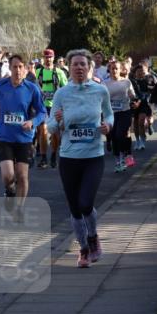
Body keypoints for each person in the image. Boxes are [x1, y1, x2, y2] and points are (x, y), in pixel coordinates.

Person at [46, 49, 112, 268]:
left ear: (89, 67)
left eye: (83, 64)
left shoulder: (100, 91)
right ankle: (83, 249)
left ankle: (93, 236)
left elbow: (109, 114)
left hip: (93, 156)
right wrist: (57, 121)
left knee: (86, 203)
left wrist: (108, 125)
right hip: (68, 157)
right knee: (74, 207)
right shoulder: (61, 94)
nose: (79, 67)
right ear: (69, 67)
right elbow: (51, 126)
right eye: (75, 64)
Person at [0, 54, 46, 210]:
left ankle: (19, 208)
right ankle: (10, 190)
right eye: (15, 67)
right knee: (8, 176)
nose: (18, 70)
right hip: (4, 135)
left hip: (24, 138)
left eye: (21, 67)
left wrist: (33, 122)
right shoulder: (0, 86)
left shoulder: (32, 89)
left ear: (25, 69)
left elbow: (42, 112)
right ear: (10, 68)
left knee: (22, 175)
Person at [34, 48, 67, 169]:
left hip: (55, 107)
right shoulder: (38, 73)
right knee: (42, 131)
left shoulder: (60, 73)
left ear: (54, 58)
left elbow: (66, 89)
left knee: (54, 133)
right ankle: (43, 157)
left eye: (50, 57)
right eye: (46, 57)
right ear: (43, 58)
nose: (48, 59)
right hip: (42, 107)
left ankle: (53, 154)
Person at [104, 60, 138, 172]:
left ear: (120, 70)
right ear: (109, 70)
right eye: (112, 68)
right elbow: (100, 98)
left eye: (116, 68)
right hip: (111, 114)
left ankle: (127, 155)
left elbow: (132, 96)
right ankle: (118, 161)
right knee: (114, 137)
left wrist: (135, 101)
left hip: (124, 111)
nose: (114, 71)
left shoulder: (126, 82)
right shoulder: (104, 83)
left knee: (121, 134)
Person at [132, 61, 156, 150]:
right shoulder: (132, 82)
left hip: (144, 104)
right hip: (134, 104)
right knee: (135, 124)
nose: (140, 73)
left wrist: (152, 89)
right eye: (138, 71)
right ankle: (137, 141)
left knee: (141, 121)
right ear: (135, 73)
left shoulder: (147, 81)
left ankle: (142, 141)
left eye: (142, 71)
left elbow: (152, 89)